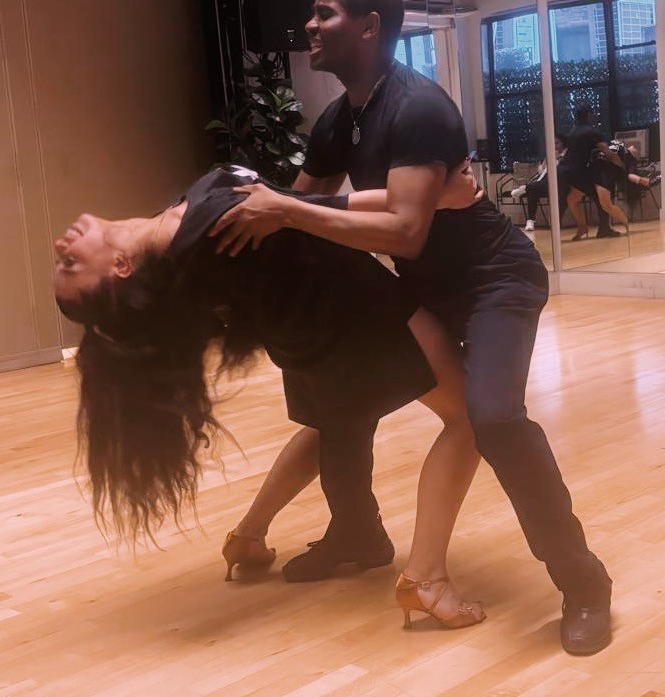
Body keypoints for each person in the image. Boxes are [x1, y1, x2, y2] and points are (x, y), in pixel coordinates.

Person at [209, 0, 612, 655]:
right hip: (425, 287)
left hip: (493, 280)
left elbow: (401, 230)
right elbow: (298, 209)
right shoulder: (341, 118)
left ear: (369, 27)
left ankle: (584, 583)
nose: (310, 25)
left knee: (492, 417)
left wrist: (291, 210)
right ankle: (353, 537)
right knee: (343, 400)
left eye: (326, 13)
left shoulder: (418, 108)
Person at [54, 164, 486, 630]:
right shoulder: (208, 227)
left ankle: (248, 535)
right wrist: (433, 197)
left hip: (310, 331)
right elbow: (315, 209)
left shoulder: (175, 237)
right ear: (121, 266)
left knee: (331, 427)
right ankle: (427, 578)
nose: (61, 247)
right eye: (71, 264)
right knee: (471, 418)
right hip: (361, 316)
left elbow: (297, 207)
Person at [559, 105, 627, 240]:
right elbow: (608, 153)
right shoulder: (592, 132)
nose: (595, 117)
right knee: (602, 198)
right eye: (593, 114)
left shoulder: (571, 132)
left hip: (564, 171)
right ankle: (608, 228)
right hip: (578, 171)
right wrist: (622, 167)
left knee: (571, 199)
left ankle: (583, 227)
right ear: (589, 115)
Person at [510, 135, 569, 231]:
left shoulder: (567, 155)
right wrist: (546, 160)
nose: (555, 146)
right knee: (533, 191)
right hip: (543, 185)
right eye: (553, 143)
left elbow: (562, 171)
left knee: (536, 186)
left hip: (559, 185)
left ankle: (524, 188)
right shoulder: (551, 155)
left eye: (557, 143)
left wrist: (557, 158)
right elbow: (541, 172)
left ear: (563, 143)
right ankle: (530, 221)